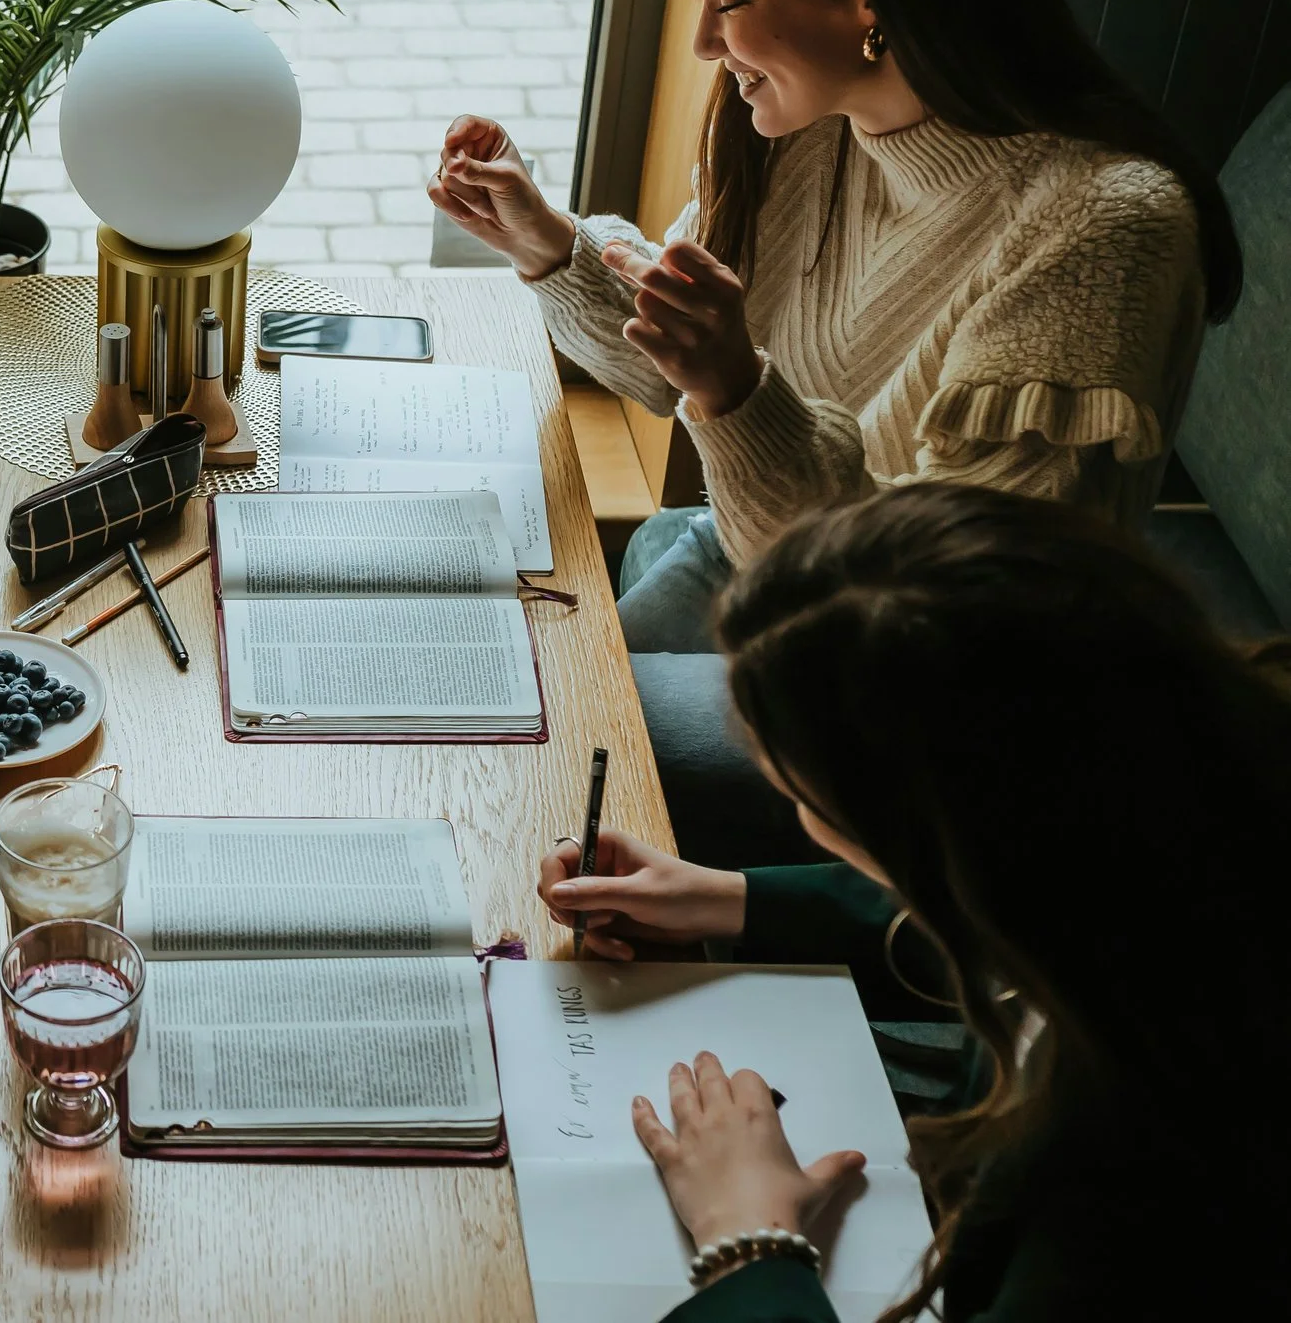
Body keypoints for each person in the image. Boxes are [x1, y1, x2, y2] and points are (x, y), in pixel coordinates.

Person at [429, 0, 1239, 657]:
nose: (702, 42)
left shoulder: (1100, 230)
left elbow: (951, 616)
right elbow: (672, 373)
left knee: (549, 735)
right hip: (762, 557)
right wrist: (549, 246)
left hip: (906, 687)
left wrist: (736, 388)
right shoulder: (811, 128)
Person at [534, 484, 1291, 1319]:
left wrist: (750, 1241)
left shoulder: (1140, 1160)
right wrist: (728, 897)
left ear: (950, 838)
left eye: (807, 802)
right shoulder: (1175, 793)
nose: (803, 825)